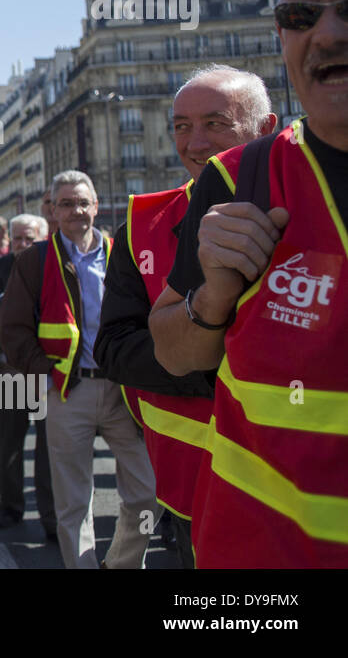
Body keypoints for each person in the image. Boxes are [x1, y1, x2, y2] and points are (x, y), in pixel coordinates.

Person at [149, 0, 348, 567]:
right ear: (282, 36)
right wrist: (213, 296)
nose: (328, 33)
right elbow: (173, 353)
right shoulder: (239, 180)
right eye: (300, 16)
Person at [94, 65, 276, 567]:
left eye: (215, 124)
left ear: (266, 129)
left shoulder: (314, 209)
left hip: (301, 483)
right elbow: (113, 349)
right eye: (180, 126)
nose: (196, 143)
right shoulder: (143, 221)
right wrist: (205, 365)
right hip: (189, 482)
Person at [0, 170, 157, 568]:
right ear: (52, 209)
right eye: (66, 203)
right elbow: (12, 331)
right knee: (73, 504)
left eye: (82, 202)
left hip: (124, 390)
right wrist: (48, 375)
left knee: (148, 493)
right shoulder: (34, 260)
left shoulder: (122, 252)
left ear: (97, 206)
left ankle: (119, 563)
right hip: (68, 391)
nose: (75, 211)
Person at [0, 213, 56, 539]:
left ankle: (51, 517)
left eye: (29, 239)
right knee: (10, 446)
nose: (22, 245)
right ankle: (10, 508)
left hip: (48, 375)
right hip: (8, 375)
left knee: (50, 449)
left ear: (42, 239)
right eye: (17, 238)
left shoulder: (54, 270)